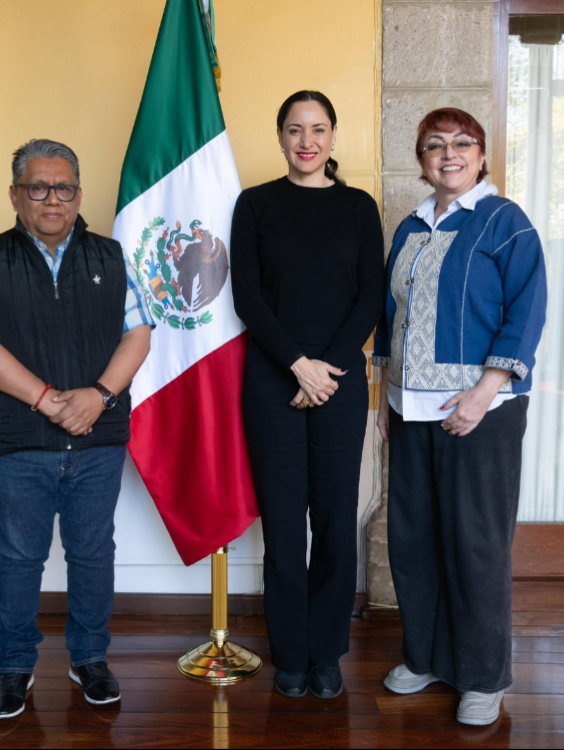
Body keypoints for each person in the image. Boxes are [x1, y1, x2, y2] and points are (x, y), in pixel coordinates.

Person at [0, 138, 154, 719]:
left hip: (97, 440)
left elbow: (139, 334)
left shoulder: (110, 257)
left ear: (78, 194)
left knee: (92, 554)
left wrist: (99, 395)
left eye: (62, 188)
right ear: (15, 195)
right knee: (17, 556)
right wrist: (45, 399)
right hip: (18, 442)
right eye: (37, 188)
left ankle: (90, 660)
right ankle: (14, 668)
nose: (51, 199)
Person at [374, 108, 547, 726]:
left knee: (476, 544)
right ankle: (424, 657)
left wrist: (483, 392)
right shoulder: (411, 228)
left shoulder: (505, 222)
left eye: (462, 144)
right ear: (421, 159)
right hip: (410, 408)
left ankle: (482, 674)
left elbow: (526, 312)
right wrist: (384, 399)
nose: (449, 154)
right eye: (434, 146)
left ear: (481, 155)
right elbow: (391, 314)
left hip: (481, 412)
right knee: (415, 541)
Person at [230, 90, 385, 699]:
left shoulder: (357, 207)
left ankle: (327, 652)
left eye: (318, 129)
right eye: (295, 129)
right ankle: (289, 655)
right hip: (273, 383)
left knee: (335, 519)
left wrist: (325, 372)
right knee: (285, 527)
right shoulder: (255, 205)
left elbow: (370, 296)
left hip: (340, 386)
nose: (307, 141)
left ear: (334, 136)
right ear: (280, 137)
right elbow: (248, 297)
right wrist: (298, 366)